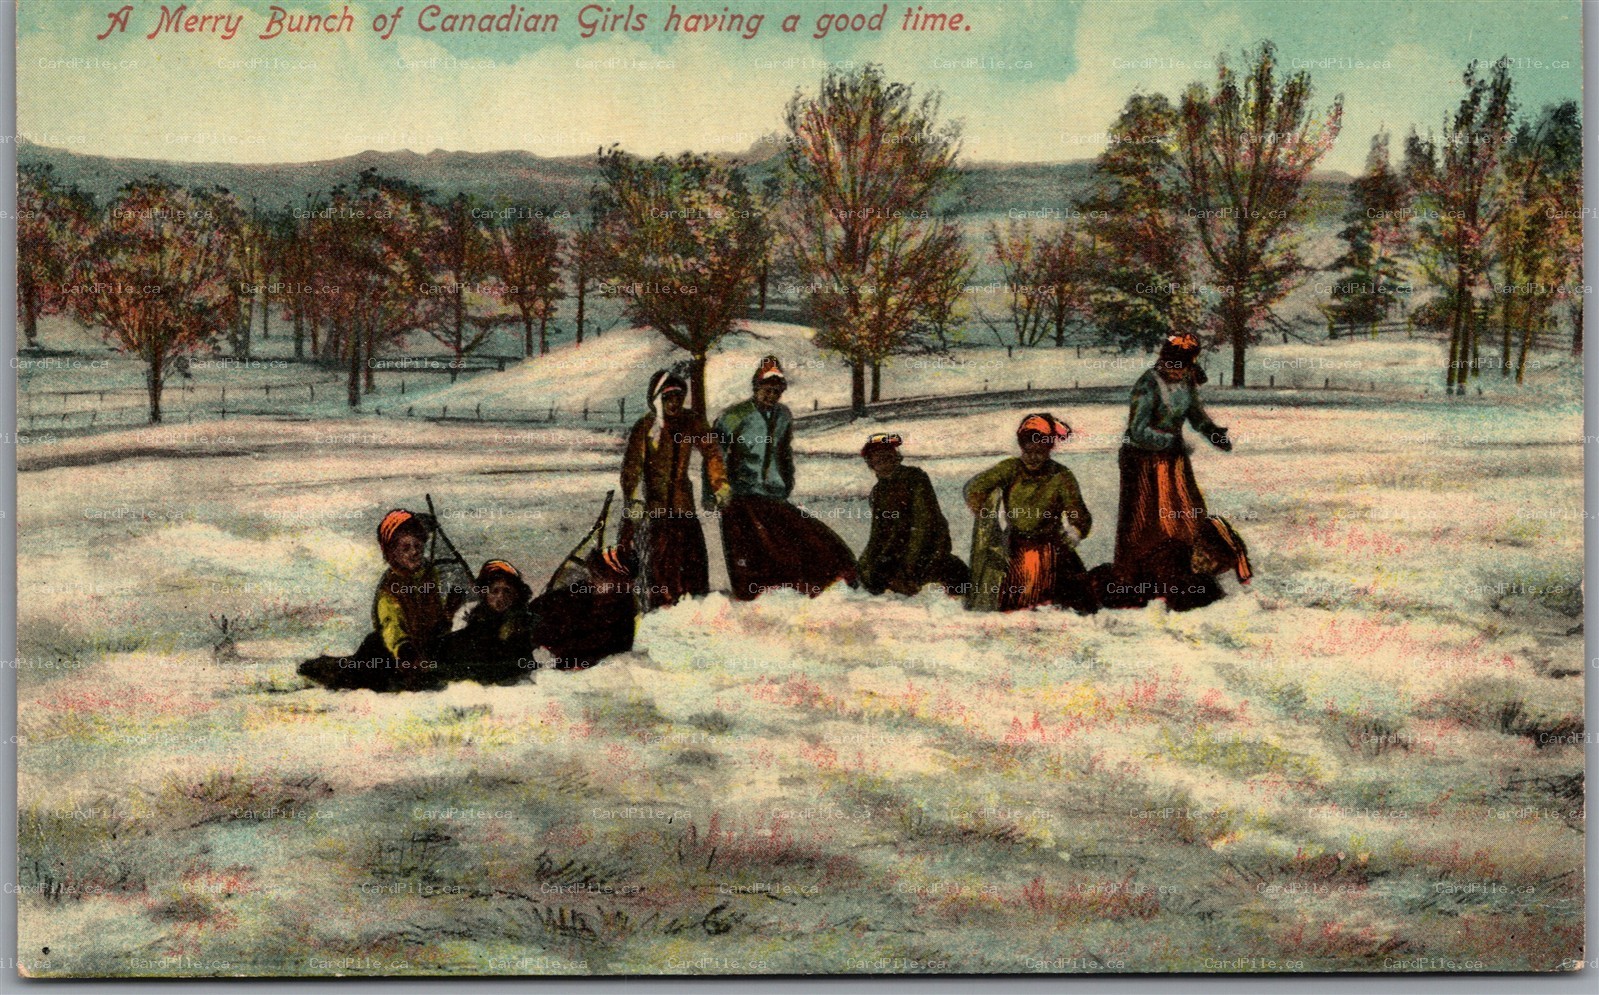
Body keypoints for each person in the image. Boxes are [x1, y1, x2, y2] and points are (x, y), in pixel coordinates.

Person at [1102, 332, 1251, 611]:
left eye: (1181, 365)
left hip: (1173, 461)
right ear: (1163, 359)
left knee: (1185, 514)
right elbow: (1137, 430)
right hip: (1143, 461)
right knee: (1149, 520)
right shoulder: (1148, 385)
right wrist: (1169, 442)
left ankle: (1183, 574)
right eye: (1171, 363)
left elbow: (1196, 414)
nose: (1175, 369)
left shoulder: (1185, 381)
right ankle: (1141, 578)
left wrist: (1212, 432)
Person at [711, 356, 857, 600]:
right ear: (756, 388)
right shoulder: (734, 417)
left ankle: (818, 581)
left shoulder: (783, 416)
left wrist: (787, 480)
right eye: (767, 390)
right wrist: (717, 490)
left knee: (801, 536)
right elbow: (714, 455)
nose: (771, 396)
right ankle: (756, 594)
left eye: (777, 392)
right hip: (740, 495)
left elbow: (784, 451)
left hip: (772, 493)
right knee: (749, 546)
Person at [299, 509, 461, 692]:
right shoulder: (390, 588)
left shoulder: (429, 576)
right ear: (392, 553)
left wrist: (448, 613)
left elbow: (433, 621)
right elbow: (391, 625)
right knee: (373, 649)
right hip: (392, 654)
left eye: (418, 546)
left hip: (423, 649)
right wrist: (405, 652)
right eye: (405, 548)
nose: (414, 552)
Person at [619, 369, 731, 610]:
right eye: (668, 399)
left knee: (689, 554)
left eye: (678, 399)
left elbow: (712, 452)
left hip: (682, 501)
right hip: (654, 504)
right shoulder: (646, 427)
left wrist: (719, 485)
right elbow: (632, 467)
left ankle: (692, 601)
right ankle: (659, 603)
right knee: (658, 555)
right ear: (656, 400)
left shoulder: (692, 422)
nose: (673, 404)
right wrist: (635, 497)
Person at [963, 414, 1096, 613]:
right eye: (1028, 451)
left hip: (1052, 549)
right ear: (1021, 447)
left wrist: (1076, 530)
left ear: (1049, 449)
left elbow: (1077, 511)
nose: (1033, 457)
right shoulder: (1011, 468)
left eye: (1040, 452)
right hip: (1016, 546)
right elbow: (974, 488)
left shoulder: (1060, 475)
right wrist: (989, 512)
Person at [856, 433, 968, 596]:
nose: (883, 463)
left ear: (896, 456)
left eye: (887, 456)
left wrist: (908, 564)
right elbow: (878, 533)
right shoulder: (878, 491)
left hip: (927, 549)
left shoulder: (914, 478)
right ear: (871, 463)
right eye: (877, 459)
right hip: (895, 552)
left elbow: (924, 522)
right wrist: (867, 562)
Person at [440, 560, 536, 685]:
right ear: (485, 594)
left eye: (507, 591)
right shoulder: (473, 622)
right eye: (495, 591)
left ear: (516, 594)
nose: (500, 597)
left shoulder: (526, 624)